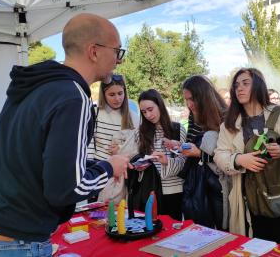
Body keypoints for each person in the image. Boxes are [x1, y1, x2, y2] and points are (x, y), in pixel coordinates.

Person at [0, 13, 131, 257]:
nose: (118, 60)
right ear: (94, 51)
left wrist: (96, 165)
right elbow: (66, 189)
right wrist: (109, 168)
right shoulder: (73, 97)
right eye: (117, 51)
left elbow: (35, 160)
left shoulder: (37, 85)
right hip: (10, 241)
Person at [214, 68, 280, 249]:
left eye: (245, 83)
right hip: (249, 202)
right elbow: (220, 155)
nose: (239, 89)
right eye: (236, 85)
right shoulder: (230, 123)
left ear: (258, 85)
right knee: (257, 248)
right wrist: (239, 160)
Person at [120, 89, 186, 221]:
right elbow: (131, 158)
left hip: (174, 190)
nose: (148, 115)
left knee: (173, 232)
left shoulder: (178, 129)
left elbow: (183, 162)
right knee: (151, 230)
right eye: (144, 112)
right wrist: (139, 164)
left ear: (160, 105)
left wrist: (166, 160)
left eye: (151, 109)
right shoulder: (140, 132)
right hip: (149, 190)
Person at [180, 75, 230, 230]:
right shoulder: (193, 116)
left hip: (220, 185)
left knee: (224, 230)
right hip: (200, 184)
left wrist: (199, 154)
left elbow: (229, 155)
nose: (189, 104)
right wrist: (181, 146)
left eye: (192, 99)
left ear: (203, 97)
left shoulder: (226, 117)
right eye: (186, 100)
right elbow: (192, 142)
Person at [87, 74, 139, 204]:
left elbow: (138, 149)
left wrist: (121, 151)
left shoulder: (134, 117)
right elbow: (87, 146)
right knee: (96, 218)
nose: (117, 98)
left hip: (122, 177)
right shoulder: (94, 112)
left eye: (120, 93)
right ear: (103, 94)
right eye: (112, 94)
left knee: (118, 218)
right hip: (98, 173)